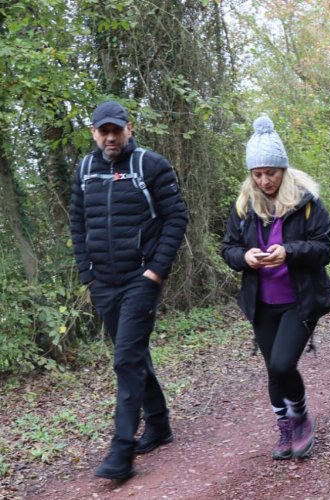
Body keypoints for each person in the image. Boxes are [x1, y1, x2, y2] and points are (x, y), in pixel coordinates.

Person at [69, 101, 188, 480]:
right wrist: (86, 271)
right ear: (93, 132)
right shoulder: (85, 170)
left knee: (124, 360)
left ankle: (121, 451)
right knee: (133, 355)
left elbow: (176, 218)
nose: (109, 137)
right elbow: (77, 221)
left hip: (140, 279)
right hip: (103, 282)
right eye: (102, 130)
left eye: (115, 130)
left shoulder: (150, 165)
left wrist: (156, 271)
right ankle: (159, 423)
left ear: (128, 129)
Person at [221, 115, 330, 461]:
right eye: (257, 174)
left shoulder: (307, 203)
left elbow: (324, 249)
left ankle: (300, 416)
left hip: (299, 301)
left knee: (284, 364)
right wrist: (246, 257)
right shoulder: (243, 207)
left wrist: (290, 252)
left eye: (271, 172)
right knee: (273, 368)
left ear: (283, 170)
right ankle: (285, 427)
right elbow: (227, 248)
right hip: (262, 301)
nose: (265, 180)